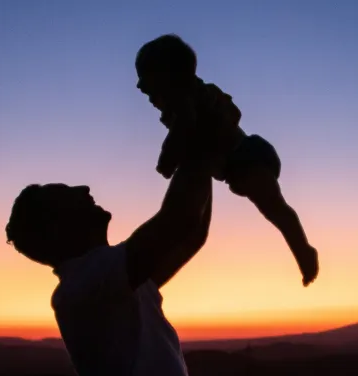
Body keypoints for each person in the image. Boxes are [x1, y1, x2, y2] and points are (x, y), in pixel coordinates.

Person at [5, 140, 214, 376]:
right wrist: (199, 135)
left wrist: (202, 153)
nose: (85, 189)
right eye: (68, 195)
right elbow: (178, 220)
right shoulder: (86, 283)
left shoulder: (111, 278)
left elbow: (190, 233)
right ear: (57, 230)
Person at [135, 33, 320, 287]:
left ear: (169, 75)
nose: (140, 86)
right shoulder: (188, 99)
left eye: (145, 77)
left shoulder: (187, 100)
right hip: (229, 164)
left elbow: (183, 132)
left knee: (275, 209)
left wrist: (166, 162)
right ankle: (150, 282)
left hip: (246, 157)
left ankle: (304, 250)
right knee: (265, 211)